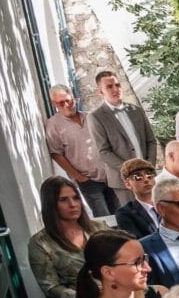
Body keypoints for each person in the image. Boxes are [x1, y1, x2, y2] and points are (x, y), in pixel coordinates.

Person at [28, 176, 106, 298]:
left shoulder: (99, 228)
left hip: (118, 294)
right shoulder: (40, 242)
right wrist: (75, 296)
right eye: (63, 200)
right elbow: (50, 286)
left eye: (76, 198)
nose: (73, 204)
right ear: (51, 204)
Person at [45, 84, 117, 216]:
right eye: (61, 103)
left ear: (74, 98)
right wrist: (78, 176)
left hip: (110, 174)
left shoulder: (91, 117)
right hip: (88, 180)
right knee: (104, 217)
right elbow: (56, 154)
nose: (67, 105)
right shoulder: (53, 125)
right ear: (53, 104)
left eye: (69, 100)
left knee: (119, 213)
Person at [87, 70, 157, 205]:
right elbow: (104, 151)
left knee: (155, 214)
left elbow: (151, 141)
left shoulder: (136, 110)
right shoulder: (96, 117)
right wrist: (130, 171)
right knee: (134, 218)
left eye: (117, 85)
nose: (115, 89)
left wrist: (148, 167)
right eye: (109, 87)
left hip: (147, 177)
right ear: (100, 92)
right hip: (123, 180)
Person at [113, 159, 159, 239]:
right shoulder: (125, 214)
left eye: (149, 175)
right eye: (138, 177)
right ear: (128, 184)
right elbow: (138, 243)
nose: (146, 180)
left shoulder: (170, 202)